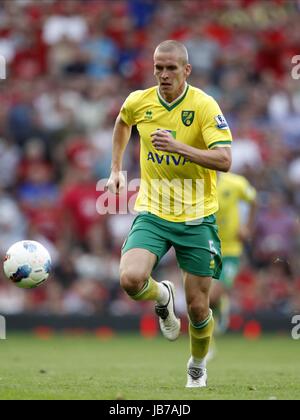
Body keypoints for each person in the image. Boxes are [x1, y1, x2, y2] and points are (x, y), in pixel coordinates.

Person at [106, 40, 232, 388]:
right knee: (130, 280)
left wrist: (178, 147)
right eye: (158, 67)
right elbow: (121, 122)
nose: (163, 75)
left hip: (197, 217)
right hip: (154, 212)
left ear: (186, 70)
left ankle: (196, 364)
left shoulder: (204, 106)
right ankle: (162, 296)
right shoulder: (138, 101)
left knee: (197, 309)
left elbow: (224, 160)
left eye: (171, 68)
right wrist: (116, 169)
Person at [209, 173, 257, 342]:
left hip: (231, 249)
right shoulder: (198, 184)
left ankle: (220, 304)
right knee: (202, 296)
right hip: (207, 246)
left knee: (213, 295)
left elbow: (253, 200)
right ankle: (211, 326)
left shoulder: (236, 183)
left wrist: (247, 227)